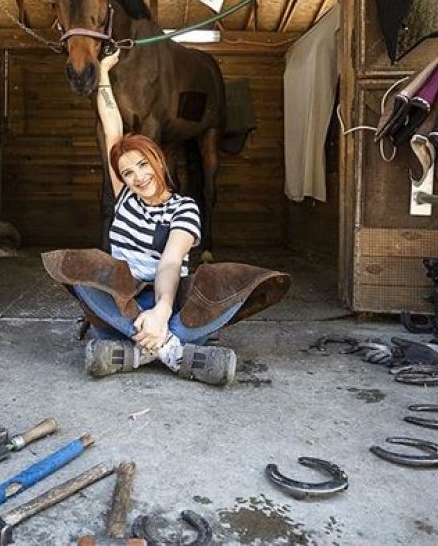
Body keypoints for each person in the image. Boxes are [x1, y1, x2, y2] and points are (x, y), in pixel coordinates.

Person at [41, 50, 291, 386]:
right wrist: (102, 74)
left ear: (158, 161)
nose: (138, 177)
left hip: (169, 300)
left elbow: (171, 264)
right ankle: (175, 352)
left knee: (225, 283)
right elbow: (112, 125)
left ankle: (132, 351)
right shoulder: (125, 196)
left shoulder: (184, 208)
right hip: (124, 298)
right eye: (128, 172)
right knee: (78, 266)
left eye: (143, 165)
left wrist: (160, 311)